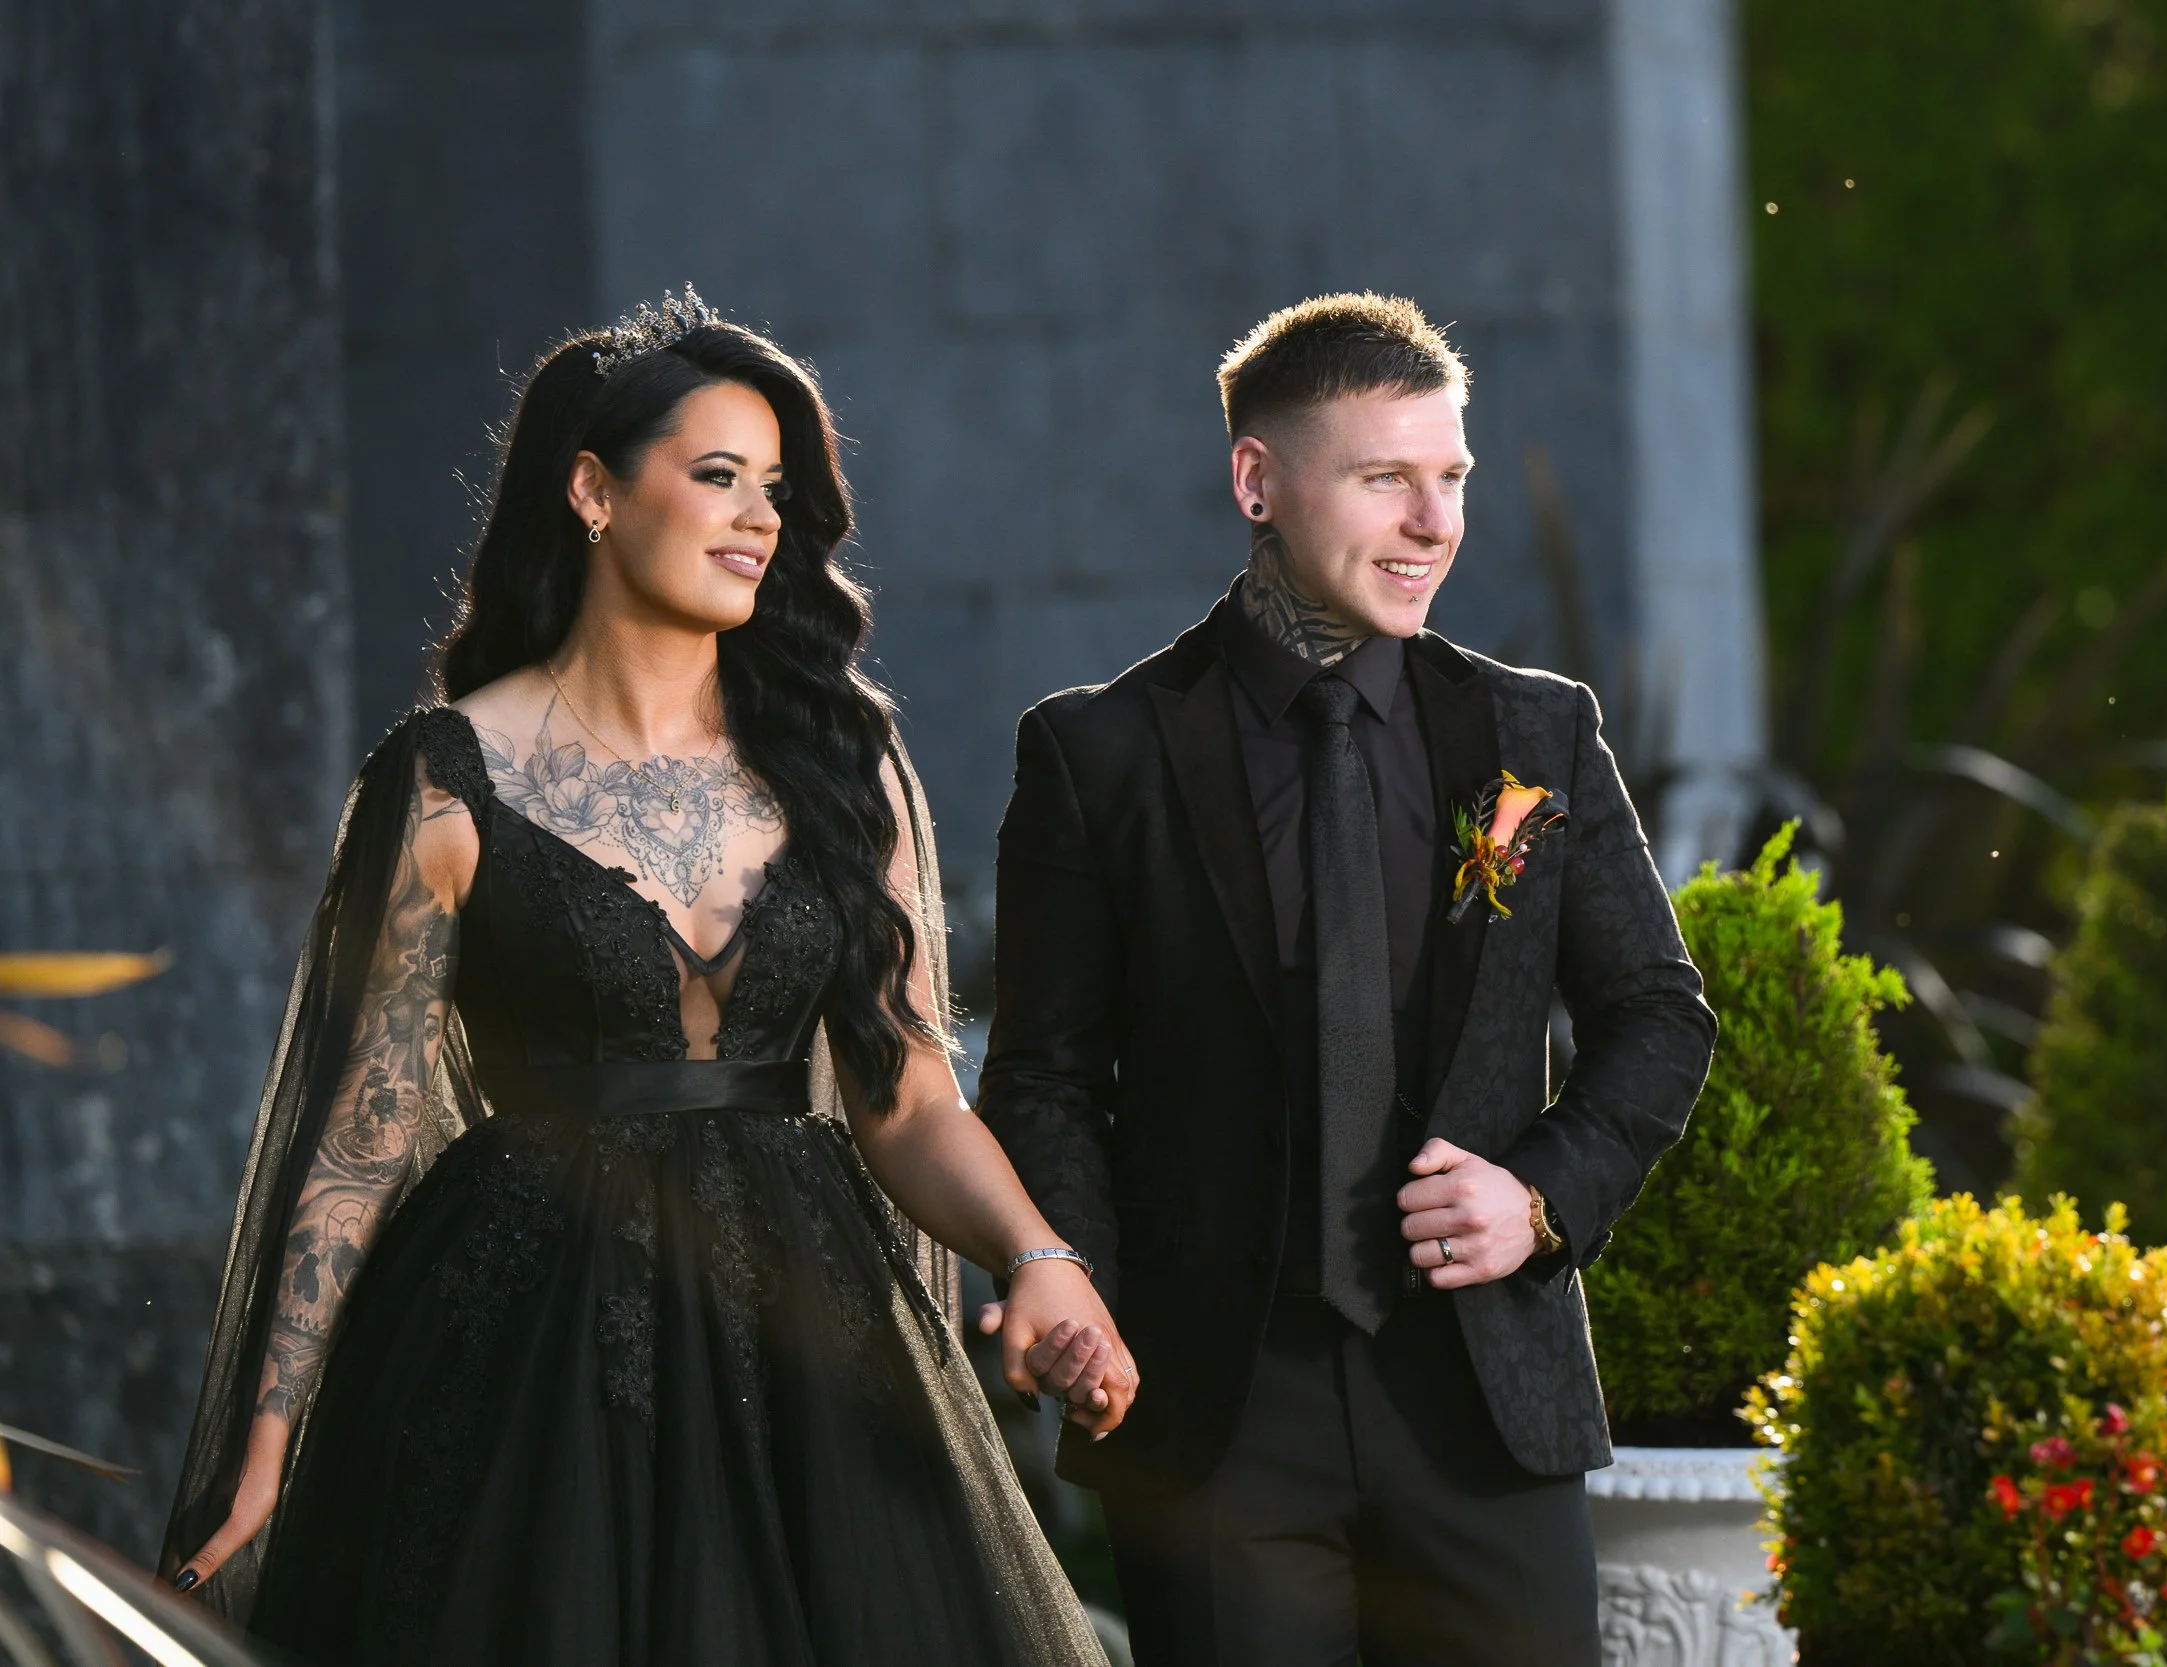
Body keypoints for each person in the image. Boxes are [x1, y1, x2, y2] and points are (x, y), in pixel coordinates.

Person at [159, 290, 1130, 1666]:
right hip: (522, 1343)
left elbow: (907, 1090)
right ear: (592, 492)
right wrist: (266, 1443)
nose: (759, 518)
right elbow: (357, 1140)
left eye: (776, 488)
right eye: (718, 475)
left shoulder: (845, 770)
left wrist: (1039, 1258)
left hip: (812, 1341)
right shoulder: (446, 778)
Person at [979, 292, 1719, 1667]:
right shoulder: (1102, 755)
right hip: (1217, 1412)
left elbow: (1656, 1015)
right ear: (1258, 479)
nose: (1435, 522)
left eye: (1451, 479)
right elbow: (1046, 1073)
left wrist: (1542, 1193)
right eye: (1388, 478)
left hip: (1486, 1399)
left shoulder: (1535, 730)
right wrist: (1072, 1278)